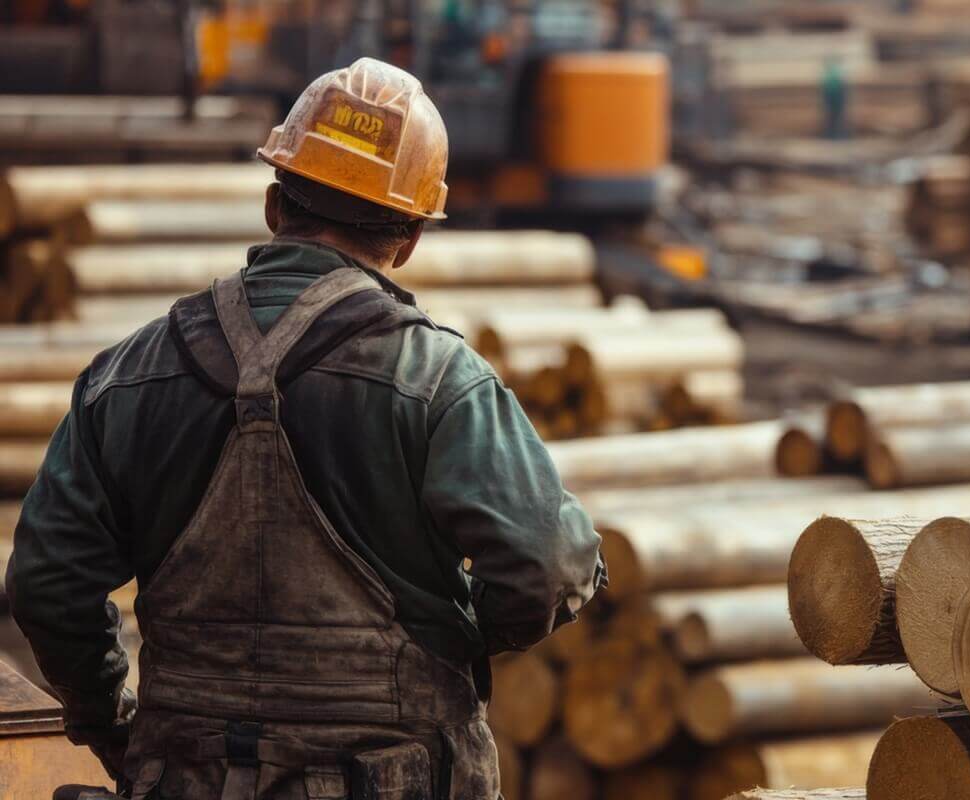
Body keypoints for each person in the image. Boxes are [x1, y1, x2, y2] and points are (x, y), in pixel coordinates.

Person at [5, 58, 604, 799]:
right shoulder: (440, 380)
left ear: (272, 203)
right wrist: (446, 644)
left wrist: (110, 724)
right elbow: (549, 566)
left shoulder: (127, 376)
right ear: (412, 234)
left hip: (180, 775)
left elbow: (46, 583)